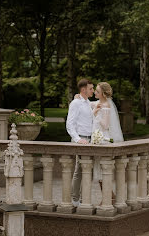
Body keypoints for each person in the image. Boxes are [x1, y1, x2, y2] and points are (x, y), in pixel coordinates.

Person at [66, 79, 94, 207]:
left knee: (87, 171)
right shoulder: (76, 103)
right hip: (81, 140)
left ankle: (84, 198)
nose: (92, 91)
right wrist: (77, 139)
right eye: (90, 89)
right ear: (83, 90)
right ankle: (75, 199)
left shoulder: (88, 103)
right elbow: (70, 124)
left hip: (90, 140)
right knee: (79, 170)